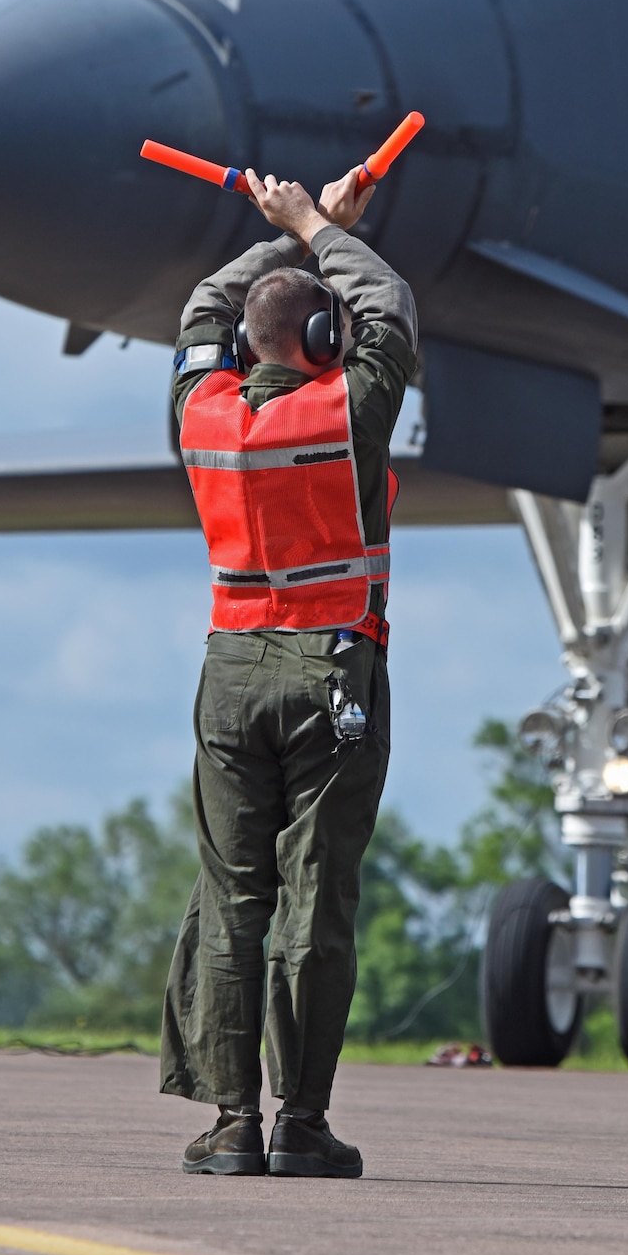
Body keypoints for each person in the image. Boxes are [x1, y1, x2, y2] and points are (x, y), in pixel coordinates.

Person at [161, 161, 417, 1178]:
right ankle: (302, 1120)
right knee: (316, 899)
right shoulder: (344, 410)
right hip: (334, 673)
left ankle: (230, 1121)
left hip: (229, 672)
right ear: (323, 342)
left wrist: (282, 232)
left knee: (234, 896)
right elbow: (386, 301)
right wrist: (320, 226)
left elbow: (201, 306)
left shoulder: (201, 413)